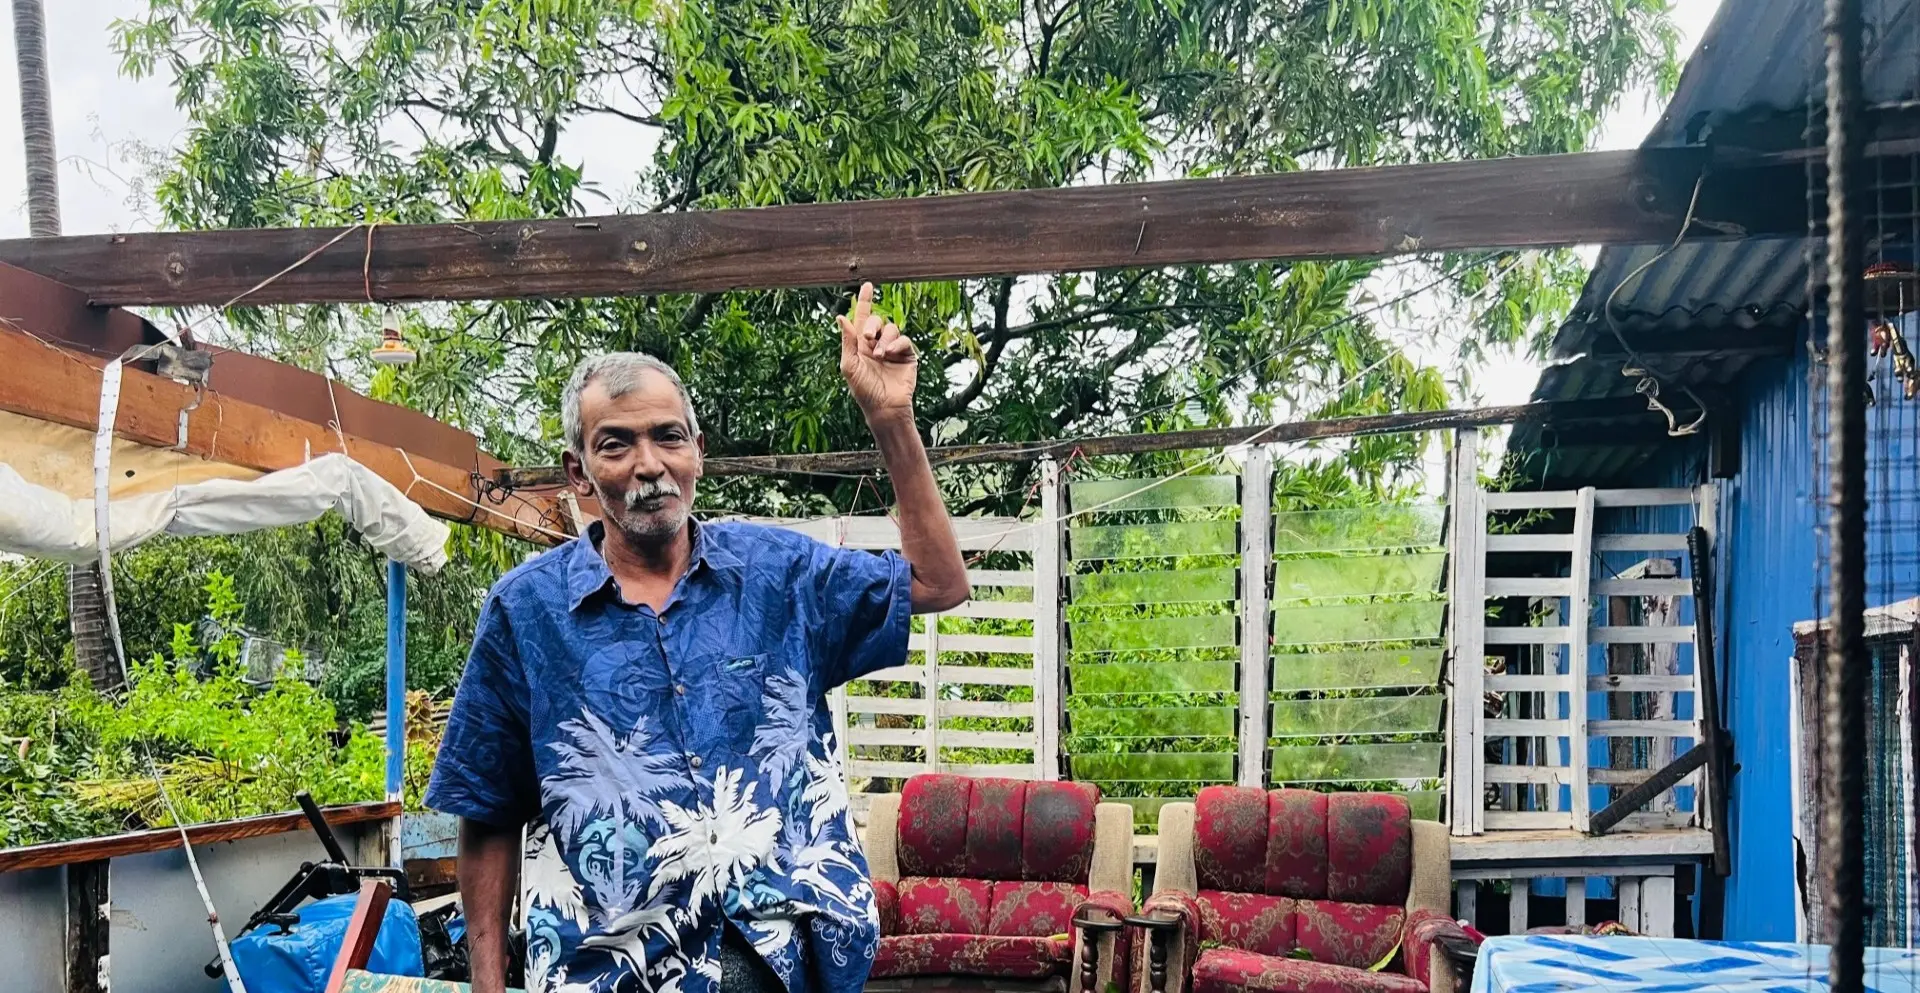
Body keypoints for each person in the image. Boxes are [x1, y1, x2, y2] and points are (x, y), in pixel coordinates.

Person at [425, 283, 971, 993]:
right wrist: (488, 983)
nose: (649, 464)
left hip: (784, 957)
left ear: (697, 451)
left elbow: (937, 583)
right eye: (616, 444)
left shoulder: (780, 574)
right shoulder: (526, 612)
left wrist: (891, 418)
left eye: (668, 436)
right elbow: (488, 812)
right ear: (578, 472)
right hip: (614, 969)